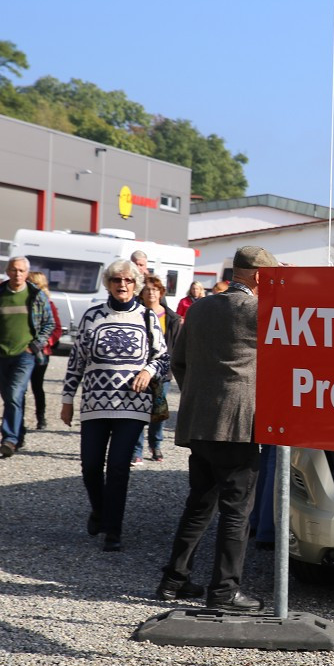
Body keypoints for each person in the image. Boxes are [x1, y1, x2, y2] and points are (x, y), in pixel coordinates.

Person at [156, 245, 278, 610]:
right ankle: (224, 591)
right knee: (236, 510)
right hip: (238, 424)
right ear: (257, 276)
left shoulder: (200, 308)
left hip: (200, 420)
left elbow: (179, 362)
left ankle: (173, 581)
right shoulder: (261, 312)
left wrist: (201, 395)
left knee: (199, 504)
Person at [60, 259, 167, 552]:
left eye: (128, 281)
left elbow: (163, 357)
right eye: (117, 280)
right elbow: (77, 360)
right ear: (108, 283)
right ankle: (99, 510)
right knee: (91, 466)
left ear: (136, 284)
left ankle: (113, 531)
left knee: (119, 467)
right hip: (95, 403)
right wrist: (67, 399)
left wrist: (148, 371)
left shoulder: (147, 317)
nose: (122, 285)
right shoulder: (92, 316)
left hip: (132, 406)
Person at [0, 256, 55, 458]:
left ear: (27, 273)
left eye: (21, 270)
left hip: (24, 355)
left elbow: (49, 323)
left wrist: (34, 346)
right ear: (7, 272)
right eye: (14, 270)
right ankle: (19, 433)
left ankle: (9, 439)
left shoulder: (35, 295)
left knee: (14, 395)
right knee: (9, 398)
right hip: (0, 354)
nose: (17, 274)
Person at [132, 275, 182, 466]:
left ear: (161, 293)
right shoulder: (136, 314)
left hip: (162, 371)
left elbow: (176, 347)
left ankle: (156, 445)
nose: (151, 293)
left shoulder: (172, 318)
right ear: (142, 293)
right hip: (138, 370)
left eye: (155, 290)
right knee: (139, 411)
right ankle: (136, 450)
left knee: (158, 411)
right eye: (147, 290)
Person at [26, 271, 63, 430]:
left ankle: (41, 418)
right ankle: (17, 419)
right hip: (22, 350)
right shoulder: (24, 302)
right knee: (19, 386)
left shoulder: (49, 304)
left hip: (41, 352)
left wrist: (45, 343)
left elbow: (56, 329)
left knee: (36, 386)